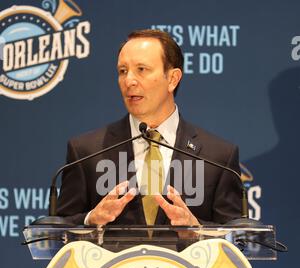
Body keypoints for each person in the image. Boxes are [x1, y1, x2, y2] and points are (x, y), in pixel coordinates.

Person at [57, 29, 242, 226]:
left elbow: (237, 240)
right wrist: (90, 219)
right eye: (123, 71)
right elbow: (58, 230)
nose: (129, 81)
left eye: (142, 70)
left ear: (172, 79)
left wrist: (198, 229)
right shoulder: (87, 151)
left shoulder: (218, 157)